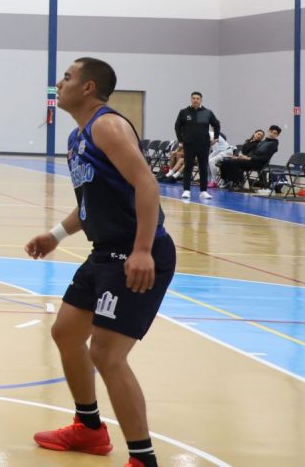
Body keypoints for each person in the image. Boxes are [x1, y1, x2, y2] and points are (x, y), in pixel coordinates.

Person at [25, 58, 175, 467]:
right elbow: (91, 202)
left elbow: (146, 184)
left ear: (88, 87)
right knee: (66, 333)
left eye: (67, 77)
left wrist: (142, 249)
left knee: (107, 354)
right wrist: (56, 235)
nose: (60, 83)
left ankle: (143, 459)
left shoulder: (107, 126)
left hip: (135, 253)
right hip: (105, 252)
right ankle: (89, 429)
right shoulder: (78, 136)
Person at [173, 92, 221, 201]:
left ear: (201, 100)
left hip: (203, 144)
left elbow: (216, 124)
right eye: (193, 98)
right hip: (189, 144)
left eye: (197, 98)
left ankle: (203, 191)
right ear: (191, 99)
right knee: (188, 167)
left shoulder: (207, 112)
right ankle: (186, 190)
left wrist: (216, 138)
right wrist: (181, 140)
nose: (195, 100)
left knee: (203, 167)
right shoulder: (183, 112)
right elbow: (177, 126)